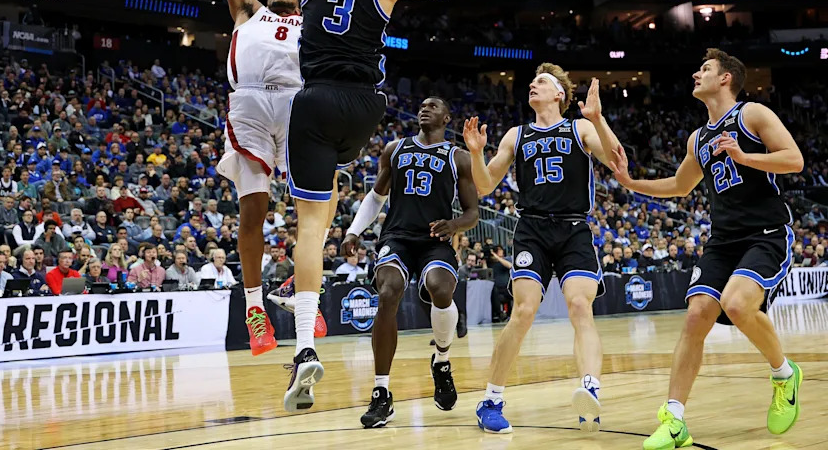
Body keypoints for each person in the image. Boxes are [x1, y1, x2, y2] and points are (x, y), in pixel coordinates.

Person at [203, 0, 487, 412]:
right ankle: (353, 218)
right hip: (365, 110)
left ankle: (305, 346)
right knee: (338, 184)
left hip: (314, 101)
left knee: (310, 226)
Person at [602, 49, 805, 448]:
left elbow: (794, 160)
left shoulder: (753, 115)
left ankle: (784, 374)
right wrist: (630, 182)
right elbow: (679, 186)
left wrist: (744, 156)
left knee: (736, 304)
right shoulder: (699, 138)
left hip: (765, 232)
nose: (697, 74)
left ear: (726, 78)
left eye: (705, 69)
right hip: (723, 239)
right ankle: (675, 419)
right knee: (696, 316)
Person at [464, 71, 621, 435]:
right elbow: (485, 186)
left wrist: (597, 118)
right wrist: (476, 153)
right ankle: (491, 399)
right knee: (523, 311)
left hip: (573, 228)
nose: (532, 84)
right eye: (531, 81)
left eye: (542, 81)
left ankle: (590, 389)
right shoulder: (516, 135)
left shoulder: (579, 129)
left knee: (581, 307)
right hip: (532, 228)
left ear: (560, 94)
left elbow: (616, 159)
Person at [342, 97, 478, 428]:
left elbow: (473, 212)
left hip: (435, 240)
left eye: (433, 106)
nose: (424, 108)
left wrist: (455, 225)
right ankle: (381, 393)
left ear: (447, 117)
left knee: (439, 289)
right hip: (397, 237)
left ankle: (442, 361)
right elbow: (376, 197)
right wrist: (354, 231)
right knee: (388, 292)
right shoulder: (395, 148)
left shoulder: (457, 157)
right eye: (422, 105)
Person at [206, 0, 304, 356]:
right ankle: (254, 309)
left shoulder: (313, 22)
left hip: (298, 105)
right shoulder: (249, 11)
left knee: (313, 207)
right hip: (248, 104)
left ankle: (304, 291)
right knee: (254, 210)